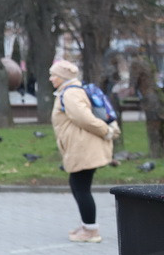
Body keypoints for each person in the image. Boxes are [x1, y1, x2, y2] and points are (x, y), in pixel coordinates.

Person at [50, 60, 120, 243]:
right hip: (81, 146)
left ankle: (91, 231)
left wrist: (106, 131)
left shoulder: (71, 93)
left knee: (81, 187)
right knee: (78, 186)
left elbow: (84, 119)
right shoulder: (69, 91)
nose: (51, 78)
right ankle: (86, 225)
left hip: (83, 147)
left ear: (63, 77)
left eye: (53, 75)